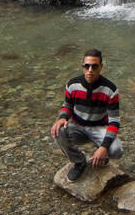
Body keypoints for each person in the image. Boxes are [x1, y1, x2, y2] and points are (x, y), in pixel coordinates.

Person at [50, 49, 123, 182]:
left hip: (99, 128)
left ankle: (101, 154)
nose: (90, 70)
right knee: (57, 131)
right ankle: (79, 162)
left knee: (116, 150)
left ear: (101, 67)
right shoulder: (72, 85)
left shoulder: (110, 89)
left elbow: (114, 121)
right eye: (86, 66)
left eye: (94, 66)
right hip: (78, 127)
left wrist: (103, 147)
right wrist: (62, 118)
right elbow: (67, 106)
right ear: (82, 66)